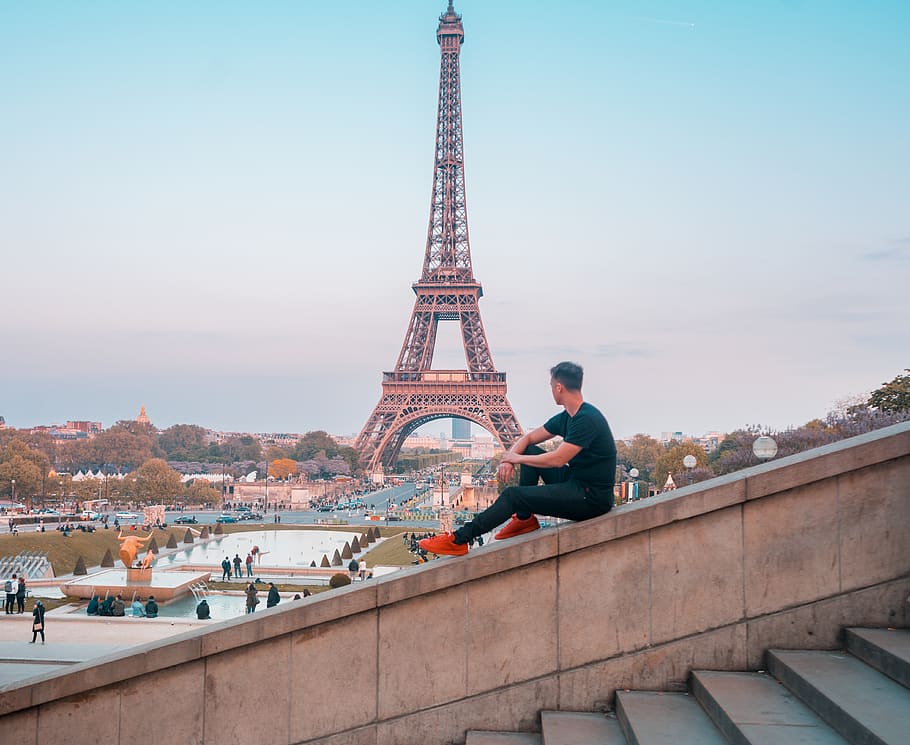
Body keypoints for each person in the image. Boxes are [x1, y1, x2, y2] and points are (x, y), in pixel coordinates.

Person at [420, 362, 616, 557]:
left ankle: (458, 540)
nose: (551, 391)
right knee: (530, 450)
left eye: (551, 386)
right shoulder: (568, 416)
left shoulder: (586, 419)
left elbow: (558, 459)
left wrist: (517, 458)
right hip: (577, 482)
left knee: (513, 495)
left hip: (591, 498)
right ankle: (524, 519)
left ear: (559, 387)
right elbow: (528, 439)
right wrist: (509, 460)